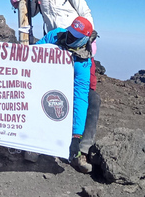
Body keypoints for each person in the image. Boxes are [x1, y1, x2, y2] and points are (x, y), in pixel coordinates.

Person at [11, 0, 101, 173]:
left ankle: (79, 148)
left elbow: (86, 13)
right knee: (46, 93)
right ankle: (36, 144)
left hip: (79, 46)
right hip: (57, 45)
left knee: (88, 97)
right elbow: (30, 13)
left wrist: (88, 39)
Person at [36, 17, 99, 173]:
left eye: (75, 36)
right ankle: (34, 143)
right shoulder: (57, 35)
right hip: (47, 82)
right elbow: (35, 53)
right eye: (70, 32)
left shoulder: (84, 61)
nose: (69, 37)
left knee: (93, 100)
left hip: (70, 88)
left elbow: (80, 96)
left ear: (84, 39)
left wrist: (76, 136)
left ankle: (80, 151)